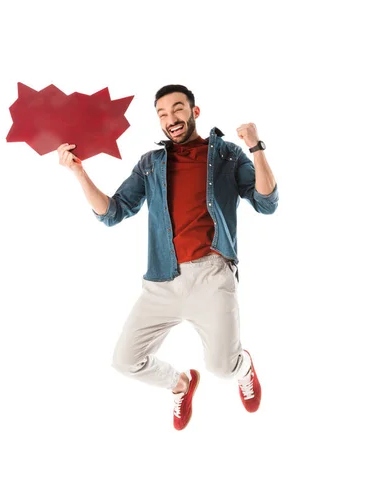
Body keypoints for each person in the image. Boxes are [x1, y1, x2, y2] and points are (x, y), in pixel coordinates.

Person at [57, 84, 279, 431]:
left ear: (194, 112)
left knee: (222, 367)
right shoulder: (150, 164)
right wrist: (78, 172)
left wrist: (256, 147)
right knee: (124, 360)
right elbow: (112, 212)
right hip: (162, 278)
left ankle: (242, 367)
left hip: (211, 276)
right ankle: (180, 384)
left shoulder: (227, 155)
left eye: (178, 109)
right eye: (162, 114)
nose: (171, 119)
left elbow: (266, 202)